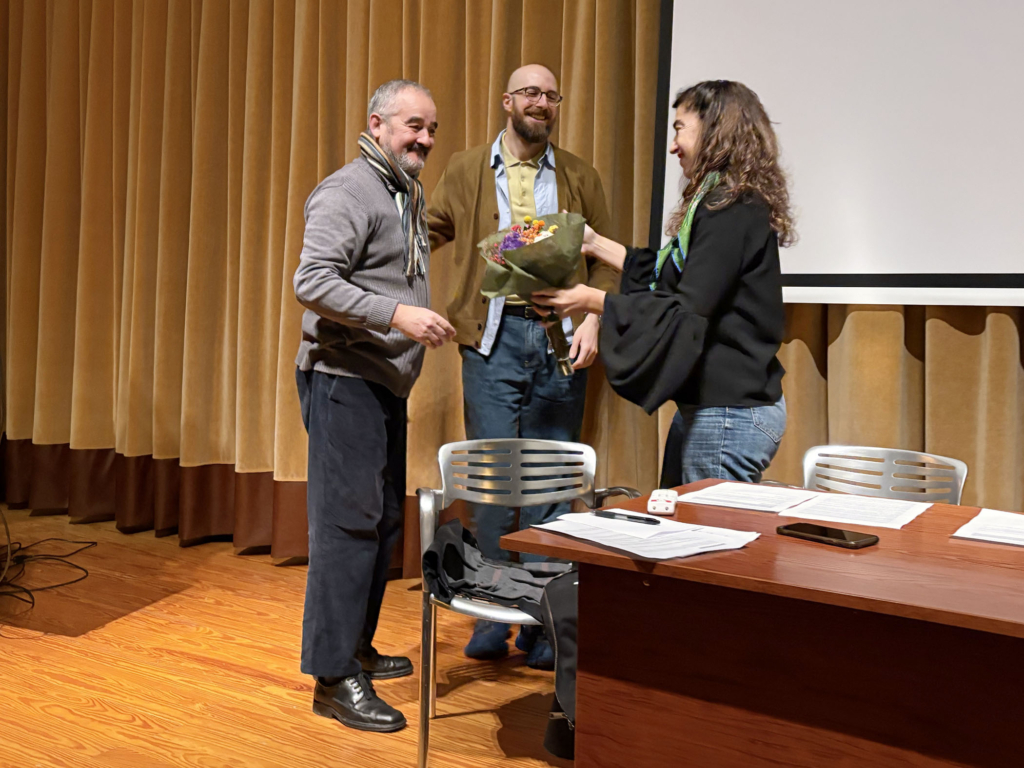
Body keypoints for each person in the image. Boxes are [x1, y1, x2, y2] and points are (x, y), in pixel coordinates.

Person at [427, 64, 618, 667]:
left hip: (559, 338)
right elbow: (426, 232)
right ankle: (488, 613)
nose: (541, 102)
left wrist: (592, 318)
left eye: (550, 95)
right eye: (530, 93)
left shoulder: (580, 175)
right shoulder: (464, 169)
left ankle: (542, 624)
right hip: (492, 338)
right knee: (490, 480)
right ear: (508, 101)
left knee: (551, 484)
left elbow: (611, 259)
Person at [293, 79, 455, 733]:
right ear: (378, 124)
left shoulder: (404, 191)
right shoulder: (347, 191)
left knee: (383, 523)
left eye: (432, 129)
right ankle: (333, 678)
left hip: (383, 382)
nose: (425, 139)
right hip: (343, 378)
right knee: (347, 527)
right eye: (414, 125)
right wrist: (398, 314)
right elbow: (312, 280)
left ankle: (355, 649)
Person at [533, 80, 793, 485]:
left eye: (679, 128)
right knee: (677, 531)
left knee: (707, 546)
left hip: (729, 414)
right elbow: (667, 270)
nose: (673, 146)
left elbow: (685, 309)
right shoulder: (717, 201)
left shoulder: (733, 207)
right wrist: (594, 243)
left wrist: (590, 299)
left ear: (714, 131)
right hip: (711, 408)